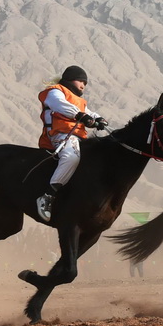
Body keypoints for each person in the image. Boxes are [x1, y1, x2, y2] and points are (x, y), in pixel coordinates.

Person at [35, 65, 108, 222]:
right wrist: (79, 115)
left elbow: (89, 113)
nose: (83, 85)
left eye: (85, 83)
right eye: (81, 81)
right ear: (69, 79)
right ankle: (48, 196)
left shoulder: (80, 101)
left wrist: (98, 118)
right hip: (60, 136)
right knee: (71, 157)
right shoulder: (55, 91)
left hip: (77, 137)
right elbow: (59, 105)